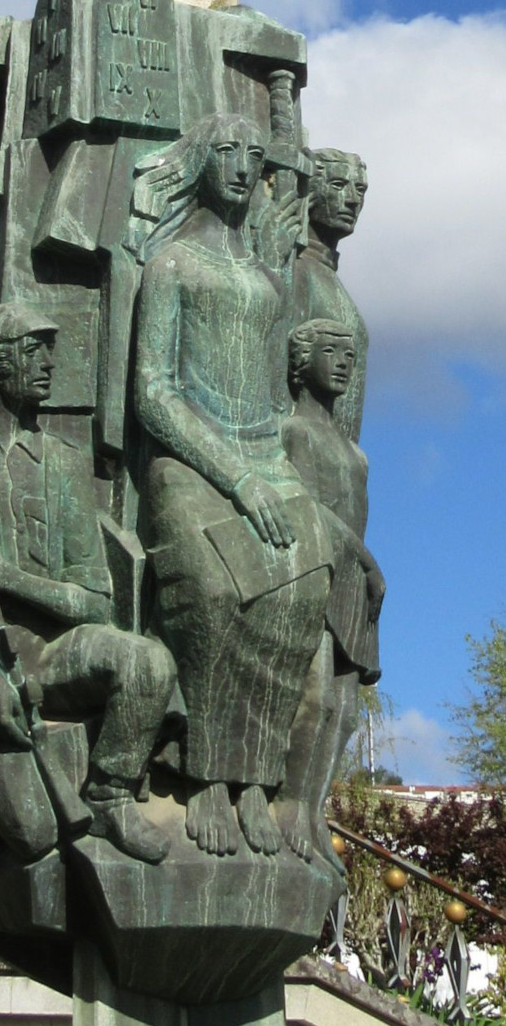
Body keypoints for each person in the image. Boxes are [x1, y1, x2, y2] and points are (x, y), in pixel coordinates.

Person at [133, 114, 333, 858]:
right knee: (215, 599)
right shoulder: (171, 266)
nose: (243, 167)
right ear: (198, 163)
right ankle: (206, 779)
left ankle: (254, 781)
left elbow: (277, 400)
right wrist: (237, 477)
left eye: (254, 155)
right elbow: (152, 395)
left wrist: (269, 469)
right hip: (188, 461)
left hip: (260, 457)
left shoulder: (263, 281)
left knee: (297, 596)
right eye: (226, 152)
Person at [0, 302, 176, 865]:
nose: (49, 363)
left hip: (58, 652)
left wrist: (7, 577)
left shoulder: (63, 462)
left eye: (49, 349)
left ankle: (110, 793)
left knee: (147, 663)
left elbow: (97, 603)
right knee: (32, 837)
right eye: (33, 349)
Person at [276, 319, 384, 863]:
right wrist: (366, 561)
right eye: (330, 351)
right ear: (301, 362)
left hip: (355, 584)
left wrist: (363, 569)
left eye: (349, 354)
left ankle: (313, 812)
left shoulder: (355, 452)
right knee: (312, 696)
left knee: (342, 712)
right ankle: (290, 805)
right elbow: (304, 504)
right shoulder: (291, 432)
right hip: (318, 569)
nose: (343, 361)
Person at [290, 149, 368, 442]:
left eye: (359, 189)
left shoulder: (324, 275)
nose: (352, 199)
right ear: (308, 191)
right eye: (338, 185)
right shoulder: (296, 272)